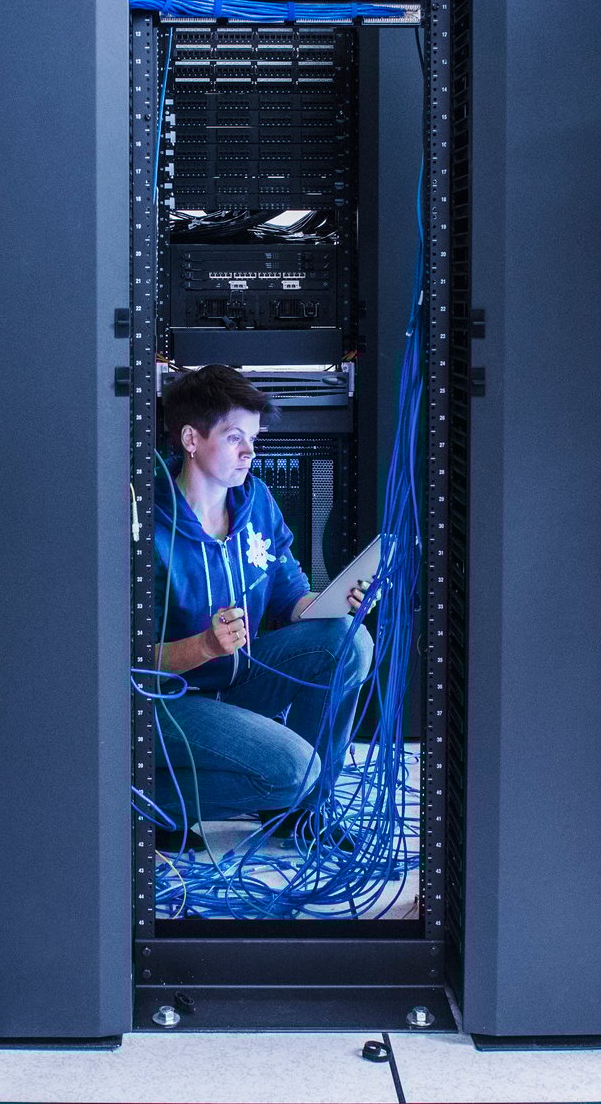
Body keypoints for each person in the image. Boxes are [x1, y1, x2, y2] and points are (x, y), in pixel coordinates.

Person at [151, 365, 374, 853]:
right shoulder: (145, 520)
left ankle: (305, 814)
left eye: (253, 438)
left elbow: (290, 598)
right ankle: (152, 804)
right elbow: (122, 662)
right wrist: (204, 645)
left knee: (348, 641)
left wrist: (336, 603)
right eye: (235, 438)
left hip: (238, 683)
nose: (250, 451)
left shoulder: (256, 504)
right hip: (169, 704)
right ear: (191, 438)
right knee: (294, 770)